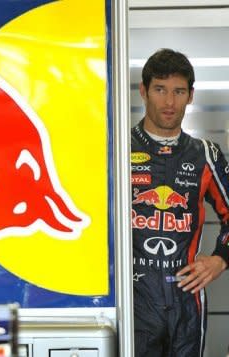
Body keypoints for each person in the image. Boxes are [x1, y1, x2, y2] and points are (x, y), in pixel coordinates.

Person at [131, 48, 229, 356]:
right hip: (133, 299)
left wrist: (219, 259)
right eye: (160, 90)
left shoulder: (206, 155)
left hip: (187, 301)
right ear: (143, 91)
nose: (169, 102)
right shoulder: (116, 149)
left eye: (178, 91)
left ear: (190, 95)